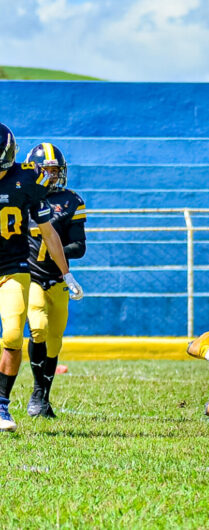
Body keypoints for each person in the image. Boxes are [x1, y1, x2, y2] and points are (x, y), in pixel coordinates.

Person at [0, 124, 83, 432]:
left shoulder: (28, 181)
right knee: (29, 330)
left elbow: (51, 233)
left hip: (14, 269)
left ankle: (11, 404)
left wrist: (66, 272)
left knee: (19, 336)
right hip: (22, 272)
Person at [24, 143, 87, 419]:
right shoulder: (22, 196)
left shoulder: (71, 200)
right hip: (30, 276)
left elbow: (79, 246)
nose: (51, 176)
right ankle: (38, 392)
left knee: (54, 341)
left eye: (54, 171)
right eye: (45, 170)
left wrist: (56, 250)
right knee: (37, 328)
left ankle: (43, 397)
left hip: (58, 278)